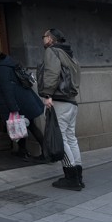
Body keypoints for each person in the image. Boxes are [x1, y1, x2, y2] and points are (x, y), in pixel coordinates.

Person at [0, 46, 46, 161]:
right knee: (22, 125)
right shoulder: (6, 62)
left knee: (29, 125)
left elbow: (7, 88)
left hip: (18, 101)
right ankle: (23, 151)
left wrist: (13, 108)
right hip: (24, 98)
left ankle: (46, 151)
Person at [39, 28, 83, 190]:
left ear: (50, 39)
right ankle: (78, 175)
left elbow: (52, 72)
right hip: (71, 100)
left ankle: (71, 177)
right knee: (71, 137)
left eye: (44, 36)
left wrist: (47, 94)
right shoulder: (69, 53)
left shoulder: (52, 52)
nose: (43, 39)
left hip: (59, 100)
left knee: (61, 137)